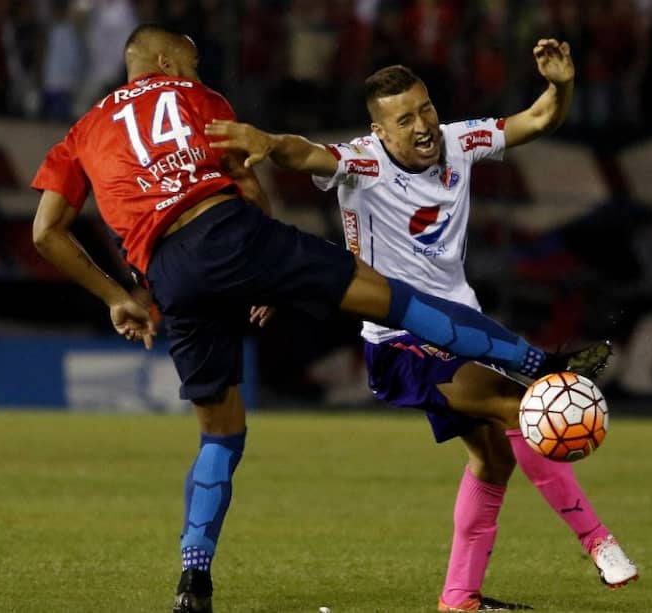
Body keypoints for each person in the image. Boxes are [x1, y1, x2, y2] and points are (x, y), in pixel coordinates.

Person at [30, 24, 611, 613]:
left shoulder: (79, 134)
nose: (197, 68)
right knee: (394, 299)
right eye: (191, 58)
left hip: (169, 273)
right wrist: (267, 274)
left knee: (221, 436)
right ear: (162, 60)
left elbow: (45, 232)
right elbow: (247, 186)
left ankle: (193, 580)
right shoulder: (193, 97)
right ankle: (542, 363)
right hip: (229, 232)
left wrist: (115, 297)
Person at [204, 42, 638, 612]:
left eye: (425, 108)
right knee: (521, 405)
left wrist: (561, 87)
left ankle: (461, 597)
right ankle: (598, 542)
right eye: (404, 118)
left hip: (465, 328)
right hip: (399, 343)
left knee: (492, 458)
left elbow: (537, 119)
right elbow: (305, 154)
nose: (423, 125)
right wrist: (267, 144)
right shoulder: (363, 161)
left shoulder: (461, 141)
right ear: (380, 131)